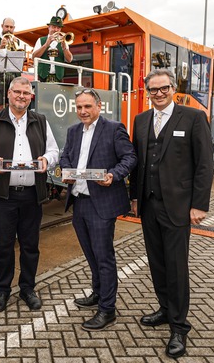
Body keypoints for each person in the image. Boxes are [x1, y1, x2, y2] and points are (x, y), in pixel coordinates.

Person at [129, 68, 214, 358]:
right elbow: (138, 163)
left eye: (164, 88)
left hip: (178, 207)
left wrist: (199, 204)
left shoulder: (193, 118)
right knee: (157, 263)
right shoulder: (141, 120)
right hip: (149, 204)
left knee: (176, 267)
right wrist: (134, 197)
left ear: (173, 89)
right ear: (147, 92)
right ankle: (165, 309)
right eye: (153, 89)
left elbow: (204, 164)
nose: (159, 94)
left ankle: (179, 327)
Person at [0, 76, 59, 312]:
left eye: (26, 93)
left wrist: (47, 160)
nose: (21, 96)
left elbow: (54, 151)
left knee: (31, 245)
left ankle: (27, 288)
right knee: (3, 246)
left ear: (31, 96)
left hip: (32, 195)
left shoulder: (40, 121)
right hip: (3, 196)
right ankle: (2, 290)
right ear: (9, 94)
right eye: (17, 92)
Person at [59, 88, 136, 331]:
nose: (83, 111)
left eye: (87, 106)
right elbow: (65, 156)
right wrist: (67, 171)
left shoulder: (114, 128)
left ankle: (107, 309)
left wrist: (113, 175)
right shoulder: (73, 131)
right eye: (79, 107)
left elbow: (130, 158)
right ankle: (98, 293)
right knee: (91, 255)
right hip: (79, 201)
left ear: (99, 106)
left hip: (101, 203)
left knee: (104, 257)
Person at [0, 18, 21, 111]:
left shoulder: (17, 41)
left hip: (13, 76)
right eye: (7, 26)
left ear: (14, 28)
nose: (9, 29)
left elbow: (20, 60)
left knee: (13, 105)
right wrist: (1, 46)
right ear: (2, 26)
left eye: (11, 27)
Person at [31, 16, 73, 83]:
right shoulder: (41, 40)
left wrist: (64, 48)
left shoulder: (64, 41)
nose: (56, 30)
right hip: (43, 77)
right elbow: (34, 57)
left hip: (58, 78)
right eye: (54, 27)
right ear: (49, 27)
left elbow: (69, 59)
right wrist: (46, 45)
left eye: (58, 28)